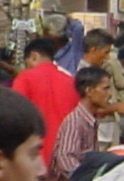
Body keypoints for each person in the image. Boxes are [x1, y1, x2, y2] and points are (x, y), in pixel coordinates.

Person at [44, 65, 117, 181]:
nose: (109, 94)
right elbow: (65, 159)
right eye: (105, 89)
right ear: (89, 91)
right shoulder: (75, 121)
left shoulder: (90, 118)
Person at [11, 38, 76, 168]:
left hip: (35, 157)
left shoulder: (25, 78)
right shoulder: (70, 80)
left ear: (34, 56)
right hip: (65, 157)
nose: (27, 65)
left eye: (27, 61)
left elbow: (14, 115)